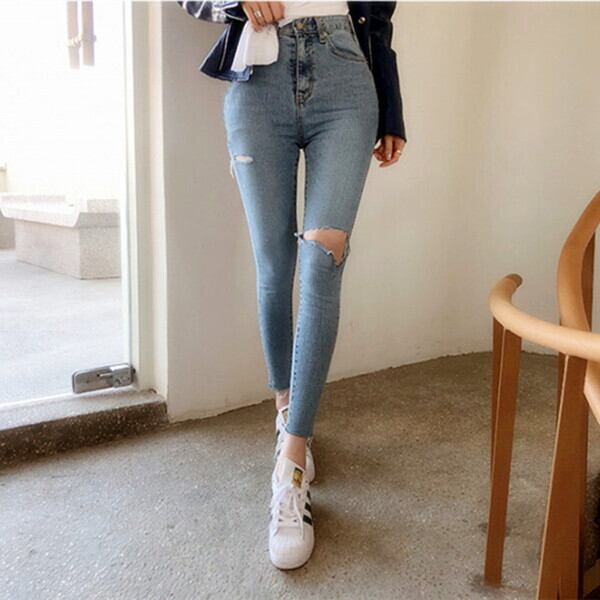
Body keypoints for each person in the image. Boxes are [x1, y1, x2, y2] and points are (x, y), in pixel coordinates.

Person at [178, 0, 407, 570]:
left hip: (345, 74)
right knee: (275, 267)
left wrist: (392, 108)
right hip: (258, 79)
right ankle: (285, 415)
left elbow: (379, 16)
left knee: (323, 260)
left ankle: (293, 466)